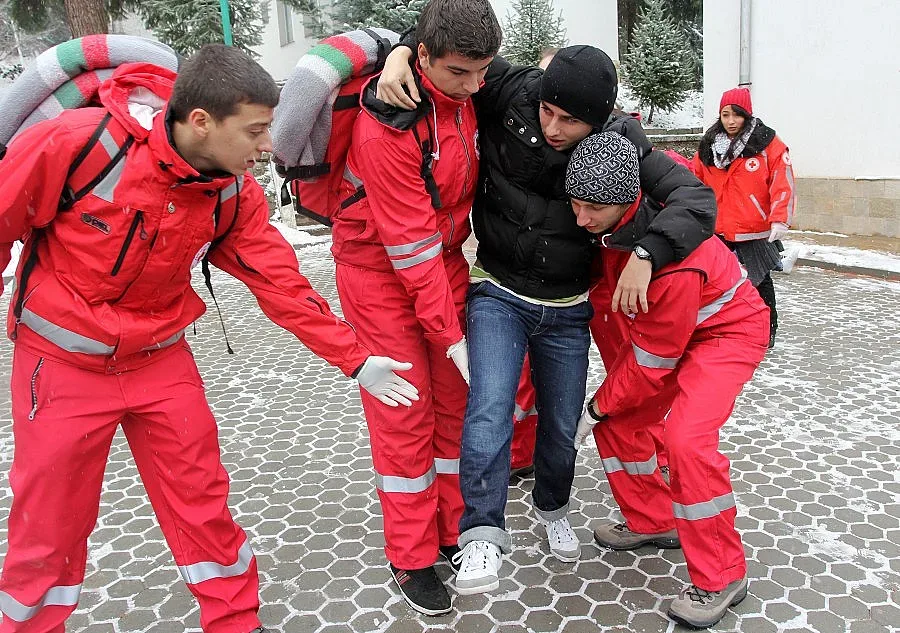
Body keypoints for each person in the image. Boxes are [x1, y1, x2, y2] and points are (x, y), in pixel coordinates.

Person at [0, 45, 417, 633]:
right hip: (61, 367)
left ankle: (236, 623)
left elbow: (280, 282)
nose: (267, 146)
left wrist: (355, 358)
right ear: (202, 121)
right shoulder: (76, 145)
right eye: (255, 130)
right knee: (48, 528)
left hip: (158, 362)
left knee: (203, 508)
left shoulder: (230, 193)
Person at [377, 43, 717, 593]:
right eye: (548, 112)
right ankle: (482, 534)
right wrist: (397, 56)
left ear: (601, 120)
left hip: (566, 310)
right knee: (488, 407)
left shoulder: (622, 141)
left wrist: (648, 252)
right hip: (497, 291)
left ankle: (553, 507)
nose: (554, 127)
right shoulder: (512, 90)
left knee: (561, 425)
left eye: (571, 121)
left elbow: (697, 198)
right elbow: (449, 45)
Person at [329, 0, 502, 616]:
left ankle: (453, 530)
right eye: (460, 73)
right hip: (380, 271)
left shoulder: (464, 84)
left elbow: (436, 245)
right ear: (424, 58)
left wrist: (404, 45)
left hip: (445, 261)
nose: (474, 85)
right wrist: (447, 332)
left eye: (482, 71)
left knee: (455, 404)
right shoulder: (388, 123)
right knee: (405, 413)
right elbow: (408, 247)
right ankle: (409, 553)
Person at [568, 132, 769, 629]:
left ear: (625, 200)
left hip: (726, 333)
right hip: (674, 334)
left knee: (686, 441)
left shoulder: (673, 267)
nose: (581, 219)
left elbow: (651, 366)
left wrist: (592, 408)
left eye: (593, 208)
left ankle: (723, 575)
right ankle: (655, 519)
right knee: (619, 427)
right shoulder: (617, 224)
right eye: (575, 204)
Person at [692, 87, 796, 348]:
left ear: (747, 115)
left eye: (737, 115)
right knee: (717, 283)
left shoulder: (767, 143)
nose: (730, 121)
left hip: (754, 229)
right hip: (717, 228)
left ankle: (766, 331)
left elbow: (782, 181)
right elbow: (694, 182)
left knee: (760, 280)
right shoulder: (709, 145)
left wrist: (779, 218)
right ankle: (723, 329)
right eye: (725, 114)